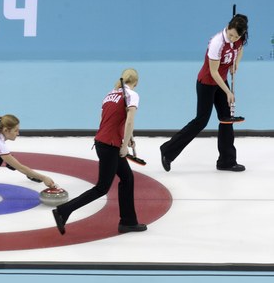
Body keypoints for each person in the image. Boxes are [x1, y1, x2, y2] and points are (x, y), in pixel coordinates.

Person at [52, 68, 147, 235]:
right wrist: (125, 145)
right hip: (111, 145)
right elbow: (130, 120)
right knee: (101, 188)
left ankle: (128, 221)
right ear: (136, 82)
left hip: (103, 142)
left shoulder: (110, 95)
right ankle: (63, 211)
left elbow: (108, 119)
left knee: (127, 178)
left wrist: (127, 137)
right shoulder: (132, 95)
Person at [160, 14, 248, 172]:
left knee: (226, 119)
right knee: (201, 121)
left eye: (236, 36)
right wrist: (228, 91)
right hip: (207, 83)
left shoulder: (238, 40)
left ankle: (226, 161)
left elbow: (239, 49)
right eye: (231, 35)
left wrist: (236, 63)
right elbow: (213, 72)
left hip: (221, 81)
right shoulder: (217, 43)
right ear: (227, 27)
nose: (233, 38)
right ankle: (167, 150)